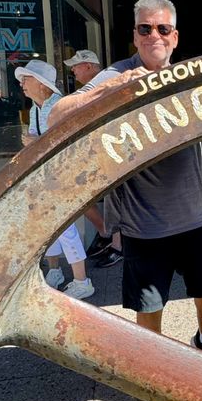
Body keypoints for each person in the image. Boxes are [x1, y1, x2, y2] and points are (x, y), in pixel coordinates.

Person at [49, 0, 202, 362]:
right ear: (135, 35)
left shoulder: (187, 76)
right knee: (150, 302)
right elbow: (57, 116)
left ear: (175, 37)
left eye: (163, 29)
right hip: (144, 223)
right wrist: (116, 87)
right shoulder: (118, 74)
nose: (154, 36)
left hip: (194, 214)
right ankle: (155, 365)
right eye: (145, 29)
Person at [15, 59, 95, 299]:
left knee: (65, 228)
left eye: (26, 79)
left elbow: (66, 142)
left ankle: (82, 281)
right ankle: (55, 272)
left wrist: (35, 143)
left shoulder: (59, 107)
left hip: (61, 176)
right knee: (48, 226)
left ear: (42, 84)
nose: (22, 83)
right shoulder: (35, 109)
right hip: (46, 176)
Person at [64, 49, 123, 268]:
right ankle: (110, 236)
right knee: (102, 196)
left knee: (116, 196)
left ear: (88, 66)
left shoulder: (104, 85)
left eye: (76, 66)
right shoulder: (94, 88)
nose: (73, 70)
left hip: (114, 148)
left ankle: (118, 245)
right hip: (103, 149)